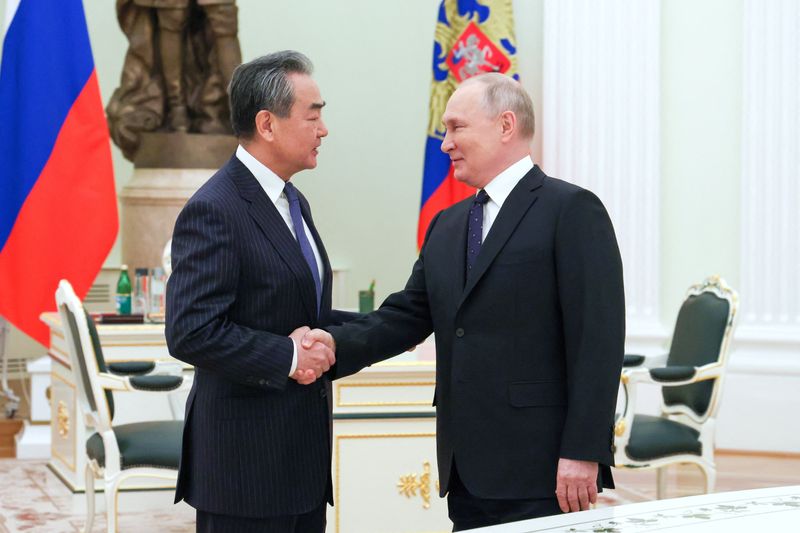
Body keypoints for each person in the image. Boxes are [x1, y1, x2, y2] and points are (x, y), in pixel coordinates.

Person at [305, 73, 625, 531]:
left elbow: (598, 340)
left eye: (456, 127)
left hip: (543, 466)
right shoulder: (448, 224)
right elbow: (405, 316)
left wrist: (583, 450)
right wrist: (330, 345)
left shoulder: (571, 211)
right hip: (466, 467)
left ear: (505, 125)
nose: (444, 144)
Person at [166, 50, 358, 533]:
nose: (324, 129)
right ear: (267, 124)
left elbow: (300, 310)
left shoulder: (293, 200)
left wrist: (402, 324)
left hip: (300, 464)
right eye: (313, 115)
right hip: (244, 471)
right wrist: (289, 358)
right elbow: (191, 331)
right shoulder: (216, 208)